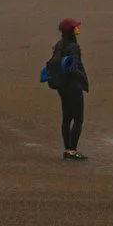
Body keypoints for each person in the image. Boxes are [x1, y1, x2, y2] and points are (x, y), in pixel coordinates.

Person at [43, 17, 90, 160]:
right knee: (78, 119)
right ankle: (72, 150)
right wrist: (82, 77)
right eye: (75, 27)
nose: (77, 29)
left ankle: (67, 150)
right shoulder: (73, 47)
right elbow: (73, 67)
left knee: (66, 119)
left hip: (62, 87)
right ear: (71, 31)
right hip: (74, 87)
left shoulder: (58, 45)